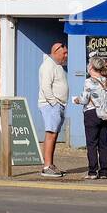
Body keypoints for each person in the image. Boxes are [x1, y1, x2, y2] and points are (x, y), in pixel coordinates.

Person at [74, 55, 107, 180]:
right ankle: (104, 172)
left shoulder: (88, 81)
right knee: (103, 143)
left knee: (91, 143)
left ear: (91, 66)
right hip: (105, 114)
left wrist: (76, 100)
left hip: (92, 113)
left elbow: (85, 99)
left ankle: (92, 171)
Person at [37, 40, 69, 178]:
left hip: (58, 105)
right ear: (56, 51)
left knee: (54, 135)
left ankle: (50, 164)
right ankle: (47, 166)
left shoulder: (57, 65)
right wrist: (54, 103)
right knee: (50, 134)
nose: (66, 55)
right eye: (64, 53)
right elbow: (45, 86)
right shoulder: (48, 65)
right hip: (51, 105)